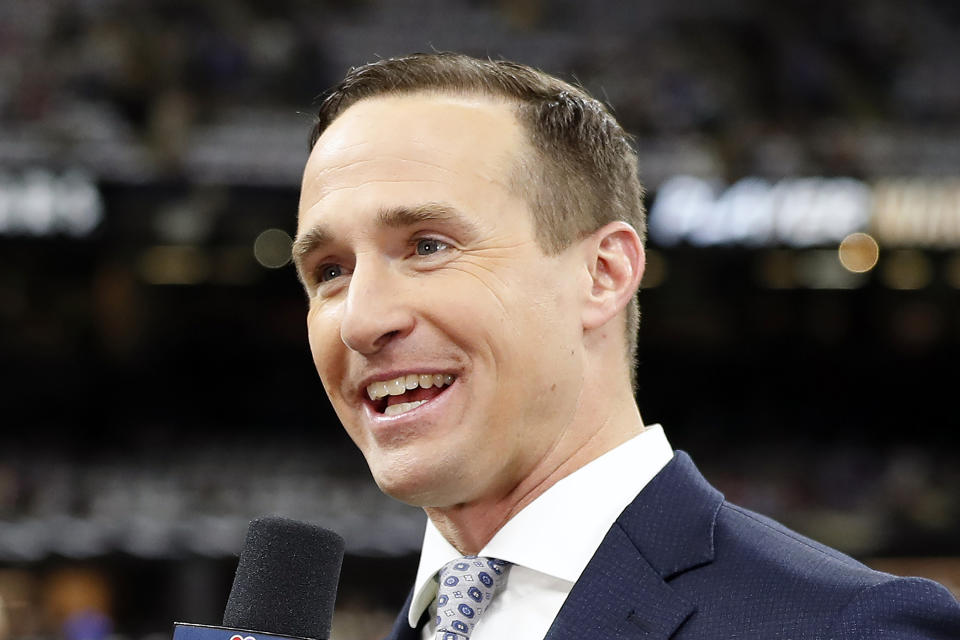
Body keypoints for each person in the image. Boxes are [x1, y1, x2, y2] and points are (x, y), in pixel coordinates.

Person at [292, 52, 960, 639]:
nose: (359, 319)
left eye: (429, 246)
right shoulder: (428, 622)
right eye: (329, 271)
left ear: (603, 274)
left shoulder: (843, 628)